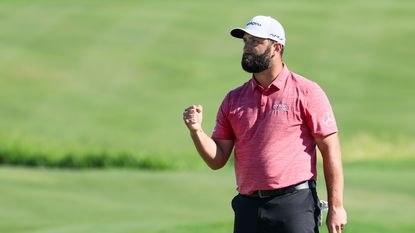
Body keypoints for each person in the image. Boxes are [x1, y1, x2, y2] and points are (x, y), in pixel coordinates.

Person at [183, 15, 347, 233]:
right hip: (248, 206)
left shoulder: (306, 91)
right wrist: (196, 132)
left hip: (294, 204)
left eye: (255, 41)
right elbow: (217, 159)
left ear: (276, 47)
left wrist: (336, 207)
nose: (247, 48)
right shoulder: (233, 99)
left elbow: (330, 149)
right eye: (245, 41)